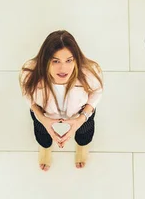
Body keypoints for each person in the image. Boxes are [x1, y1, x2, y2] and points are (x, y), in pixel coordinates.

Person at [20, 31, 103, 171]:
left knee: (85, 133)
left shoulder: (89, 72)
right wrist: (40, 117)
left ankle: (82, 147)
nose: (63, 69)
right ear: (45, 60)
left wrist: (82, 118)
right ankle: (45, 148)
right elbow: (27, 93)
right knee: (41, 133)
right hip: (43, 113)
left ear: (76, 59)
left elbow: (97, 91)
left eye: (69, 60)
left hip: (80, 113)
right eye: (56, 61)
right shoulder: (30, 72)